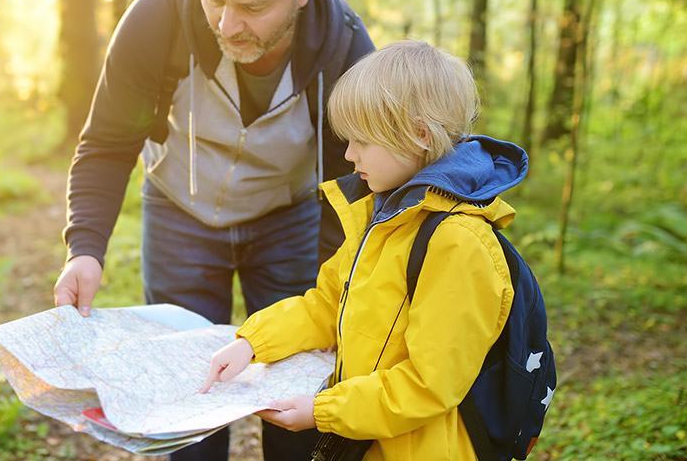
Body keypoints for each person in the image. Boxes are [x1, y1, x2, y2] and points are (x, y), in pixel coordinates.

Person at [53, 0, 375, 461]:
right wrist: (85, 247)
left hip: (291, 220)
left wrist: (336, 299)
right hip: (180, 214)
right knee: (187, 394)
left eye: (253, 7)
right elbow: (106, 142)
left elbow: (356, 189)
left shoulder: (345, 52)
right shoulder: (157, 19)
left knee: (294, 387)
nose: (227, 25)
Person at [200, 40, 529, 461]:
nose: (349, 153)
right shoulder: (384, 214)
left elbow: (429, 385)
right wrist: (251, 343)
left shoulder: (458, 244)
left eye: (362, 140)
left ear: (419, 134)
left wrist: (323, 412)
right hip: (370, 441)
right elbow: (327, 305)